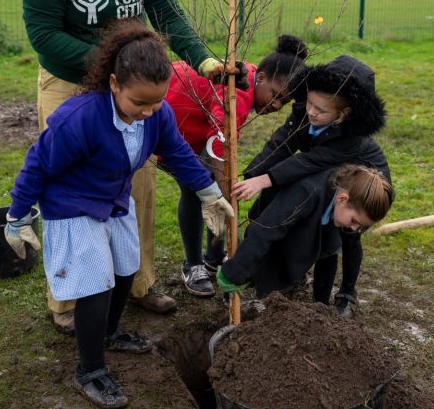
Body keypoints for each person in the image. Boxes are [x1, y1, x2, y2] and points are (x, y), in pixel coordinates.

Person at [21, 0, 233, 333]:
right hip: (71, 79)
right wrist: (112, 65)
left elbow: (166, 7)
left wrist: (203, 60)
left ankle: (137, 283)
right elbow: (45, 35)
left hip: (129, 81)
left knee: (137, 181)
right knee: (67, 186)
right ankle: (68, 300)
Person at [3, 21, 233, 409]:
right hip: (72, 204)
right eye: (138, 103)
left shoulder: (156, 115)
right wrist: (17, 217)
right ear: (114, 84)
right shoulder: (81, 117)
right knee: (96, 283)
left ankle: (108, 332)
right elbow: (37, 164)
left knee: (127, 268)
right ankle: (89, 370)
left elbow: (177, 152)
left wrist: (210, 195)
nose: (148, 112)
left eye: (156, 102)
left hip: (113, 198)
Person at [233, 55, 392, 316]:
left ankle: (343, 295)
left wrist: (263, 180)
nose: (311, 112)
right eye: (310, 103)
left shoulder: (350, 139)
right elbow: (282, 144)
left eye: (320, 110)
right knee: (320, 227)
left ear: (344, 114)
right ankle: (277, 273)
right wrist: (251, 175)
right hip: (329, 176)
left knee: (343, 236)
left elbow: (307, 162)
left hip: (364, 187)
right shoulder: (306, 113)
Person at [163, 35, 308, 296]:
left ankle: (215, 256)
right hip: (169, 118)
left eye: (283, 102)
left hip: (192, 131)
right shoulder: (237, 94)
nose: (276, 105)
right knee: (196, 189)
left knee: (211, 189)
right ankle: (194, 265)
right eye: (275, 95)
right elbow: (219, 151)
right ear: (261, 77)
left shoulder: (250, 76)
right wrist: (225, 193)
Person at [216, 164, 392, 299]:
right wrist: (235, 271)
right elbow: (264, 230)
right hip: (273, 229)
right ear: (343, 199)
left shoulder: (340, 201)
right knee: (265, 268)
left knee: (331, 244)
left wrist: (321, 308)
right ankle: (251, 282)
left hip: (302, 228)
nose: (354, 228)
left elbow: (329, 252)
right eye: (355, 221)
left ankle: (310, 294)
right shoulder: (307, 192)